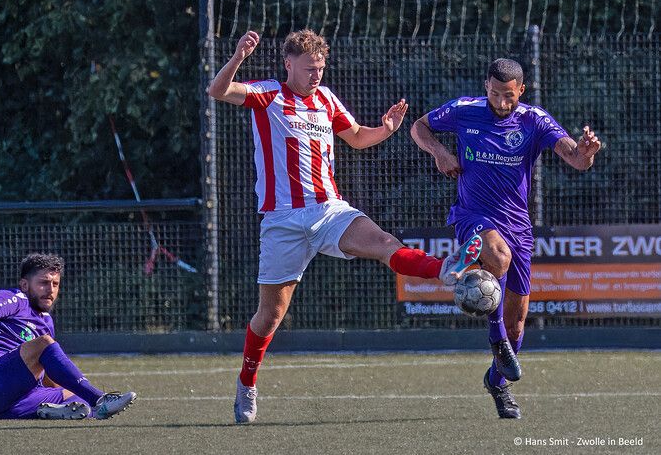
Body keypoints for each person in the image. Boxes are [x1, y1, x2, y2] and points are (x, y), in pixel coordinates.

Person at [208, 28, 483, 424]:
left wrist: (385, 130)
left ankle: (444, 269)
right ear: (288, 64)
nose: (316, 75)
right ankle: (247, 382)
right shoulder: (268, 93)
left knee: (385, 242)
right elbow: (218, 91)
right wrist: (237, 56)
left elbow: (355, 137)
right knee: (270, 316)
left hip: (328, 211)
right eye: (309, 68)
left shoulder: (325, 99)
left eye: (320, 68)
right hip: (282, 221)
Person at [411, 58, 602, 419]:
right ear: (486, 87)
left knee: (518, 324)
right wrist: (439, 151)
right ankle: (495, 338)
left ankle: (497, 382)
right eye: (496, 94)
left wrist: (586, 154)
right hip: (473, 216)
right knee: (498, 258)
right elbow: (419, 127)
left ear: (522, 91)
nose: (502, 102)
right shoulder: (464, 110)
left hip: (519, 228)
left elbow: (575, 159)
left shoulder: (534, 120)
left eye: (509, 96)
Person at [0, 253, 137, 420]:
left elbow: (47, 374)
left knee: (79, 401)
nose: (50, 289)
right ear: (25, 285)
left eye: (55, 284)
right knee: (45, 343)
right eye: (43, 283)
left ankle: (55, 411)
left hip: (16, 399)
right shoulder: (17, 298)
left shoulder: (46, 321)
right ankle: (99, 398)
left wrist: (63, 393)